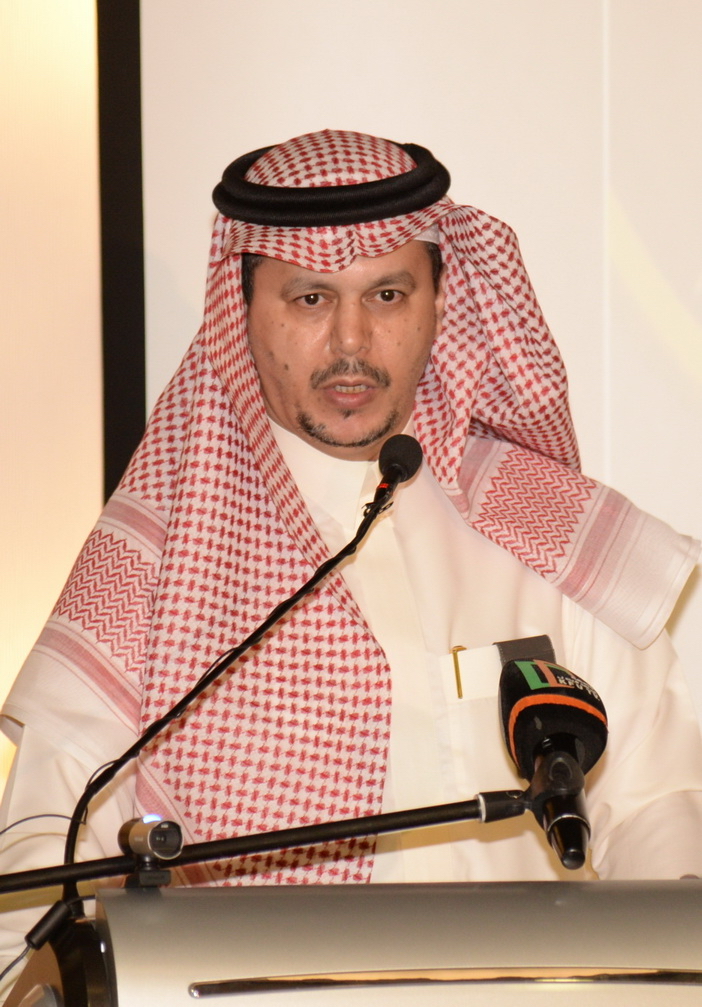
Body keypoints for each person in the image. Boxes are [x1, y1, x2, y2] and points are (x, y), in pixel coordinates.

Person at [1, 129, 702, 975]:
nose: (351, 343)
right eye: (309, 299)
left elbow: (659, 803)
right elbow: (46, 849)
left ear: (440, 300)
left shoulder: (544, 528)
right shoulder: (154, 563)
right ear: (241, 308)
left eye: (387, 295)